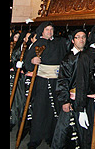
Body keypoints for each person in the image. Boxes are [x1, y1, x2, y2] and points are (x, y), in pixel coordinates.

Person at [23, 21, 69, 149]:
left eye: (51, 29)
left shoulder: (59, 43)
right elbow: (27, 63)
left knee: (54, 109)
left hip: (56, 81)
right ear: (42, 31)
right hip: (42, 81)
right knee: (40, 109)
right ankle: (35, 138)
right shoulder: (38, 44)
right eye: (47, 29)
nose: (49, 32)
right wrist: (33, 61)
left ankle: (52, 136)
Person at [52, 28, 87, 149]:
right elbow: (63, 80)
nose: (81, 40)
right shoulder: (68, 58)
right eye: (78, 37)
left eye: (83, 37)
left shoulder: (88, 56)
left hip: (84, 99)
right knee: (65, 130)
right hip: (71, 98)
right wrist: (65, 100)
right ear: (73, 40)